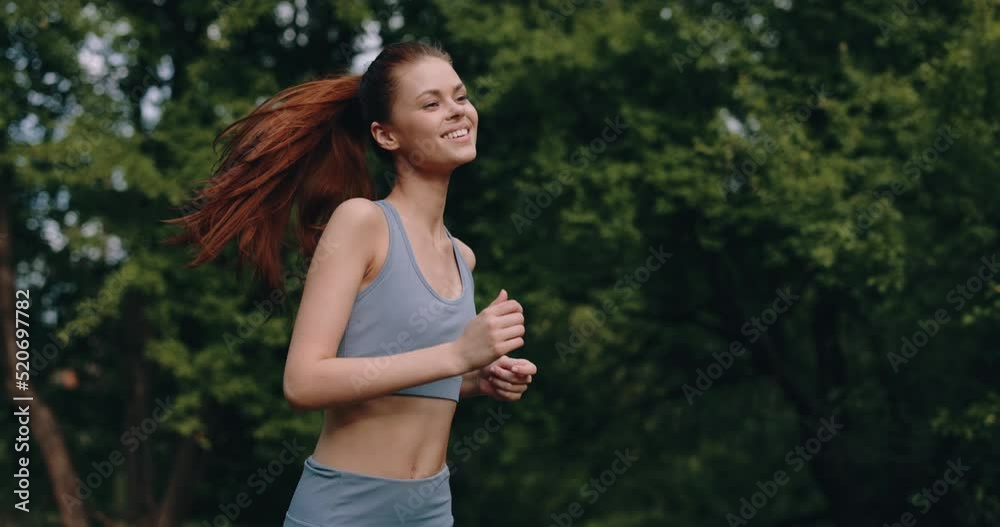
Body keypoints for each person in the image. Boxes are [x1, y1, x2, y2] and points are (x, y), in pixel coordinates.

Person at [165, 41, 538, 526]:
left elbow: (402, 376)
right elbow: (303, 381)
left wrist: (472, 380)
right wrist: (455, 356)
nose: (457, 111)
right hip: (345, 510)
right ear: (386, 135)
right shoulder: (362, 223)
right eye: (431, 103)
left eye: (460, 97)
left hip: (430, 510)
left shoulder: (461, 256)